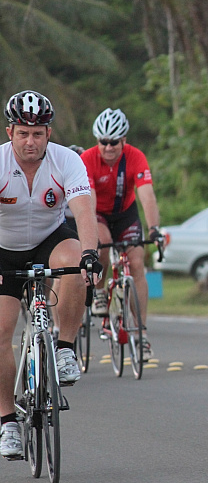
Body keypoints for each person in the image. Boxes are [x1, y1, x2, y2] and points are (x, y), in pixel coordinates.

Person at [0, 91, 101, 459]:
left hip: (48, 238)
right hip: (3, 248)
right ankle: (7, 421)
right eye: (23, 133)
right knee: (1, 330)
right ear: (10, 132)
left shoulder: (67, 160)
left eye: (38, 134)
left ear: (49, 133)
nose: (31, 141)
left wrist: (92, 253)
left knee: (76, 261)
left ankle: (64, 348)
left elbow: (84, 211)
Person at [80, 108, 163, 360]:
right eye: (103, 142)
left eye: (114, 142)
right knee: (102, 242)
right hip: (99, 214)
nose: (108, 147)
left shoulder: (135, 156)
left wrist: (154, 229)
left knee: (137, 263)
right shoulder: (87, 158)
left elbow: (146, 195)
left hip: (126, 213)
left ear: (123, 141)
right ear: (97, 142)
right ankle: (102, 291)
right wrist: (92, 238)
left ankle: (141, 333)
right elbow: (89, 202)